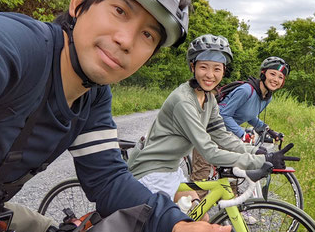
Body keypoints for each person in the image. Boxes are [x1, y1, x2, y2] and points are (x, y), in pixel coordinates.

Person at [0, 0, 229, 232]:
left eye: (148, 34)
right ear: (78, 4)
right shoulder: (17, 47)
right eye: (120, 11)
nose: (126, 40)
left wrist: (176, 224)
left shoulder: (93, 96)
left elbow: (107, 180)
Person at [127, 35, 296, 214]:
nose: (210, 75)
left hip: (170, 169)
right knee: (184, 224)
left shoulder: (208, 99)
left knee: (200, 216)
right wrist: (260, 161)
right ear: (193, 67)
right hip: (151, 172)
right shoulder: (184, 101)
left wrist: (256, 151)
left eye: (217, 68)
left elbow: (222, 135)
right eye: (203, 67)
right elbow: (209, 151)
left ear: (224, 71)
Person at [189, 57, 289, 195]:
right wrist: (242, 134)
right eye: (272, 74)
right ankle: (190, 212)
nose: (276, 79)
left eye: (280, 77)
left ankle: (230, 208)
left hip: (227, 135)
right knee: (202, 177)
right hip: (208, 130)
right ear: (263, 73)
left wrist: (269, 130)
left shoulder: (267, 97)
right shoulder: (246, 90)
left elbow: (249, 115)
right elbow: (223, 114)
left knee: (232, 173)